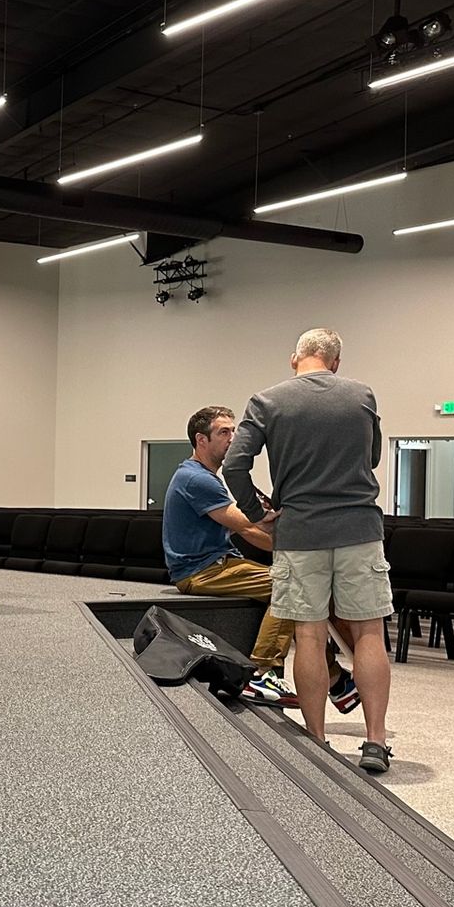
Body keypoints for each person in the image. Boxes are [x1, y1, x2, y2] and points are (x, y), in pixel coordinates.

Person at [222, 328, 393, 772]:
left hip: (299, 534)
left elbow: (234, 463)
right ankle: (375, 742)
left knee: (309, 637)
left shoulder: (267, 401)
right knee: (368, 634)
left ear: (294, 358)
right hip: (359, 528)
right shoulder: (362, 396)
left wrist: (255, 512)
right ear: (335, 362)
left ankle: (317, 741)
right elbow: (372, 458)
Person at [162, 405, 357, 711]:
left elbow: (250, 532)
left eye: (234, 431)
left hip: (220, 563)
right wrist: (293, 542)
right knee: (291, 583)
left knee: (297, 581)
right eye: (224, 432)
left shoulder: (203, 477)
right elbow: (247, 525)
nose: (233, 438)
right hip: (201, 571)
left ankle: (335, 680)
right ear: (201, 440)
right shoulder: (196, 479)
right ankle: (262, 675)